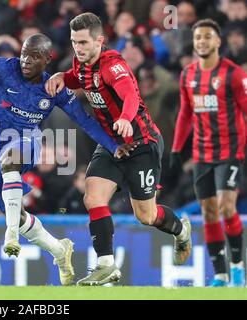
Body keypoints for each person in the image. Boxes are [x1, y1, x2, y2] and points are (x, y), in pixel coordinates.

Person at [0, 33, 136, 285]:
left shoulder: (53, 89)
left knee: (11, 163)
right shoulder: (5, 67)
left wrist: (113, 146)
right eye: (25, 53)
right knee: (13, 210)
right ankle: (59, 251)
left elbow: (84, 121)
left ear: (47, 60)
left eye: (34, 56)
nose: (26, 60)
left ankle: (11, 234)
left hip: (26, 141)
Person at [45, 12, 192, 286]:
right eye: (75, 41)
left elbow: (130, 95)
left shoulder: (113, 65)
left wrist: (125, 117)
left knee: (146, 215)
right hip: (113, 145)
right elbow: (77, 77)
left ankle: (181, 230)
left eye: (84, 42)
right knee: (92, 196)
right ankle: (106, 265)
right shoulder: (81, 63)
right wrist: (61, 76)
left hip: (141, 144)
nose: (78, 47)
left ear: (100, 41)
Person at [170, 19, 247, 287]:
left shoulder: (234, 74)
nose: (201, 41)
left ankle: (238, 267)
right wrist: (177, 149)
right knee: (210, 212)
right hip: (202, 154)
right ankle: (221, 275)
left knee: (227, 207)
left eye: (207, 37)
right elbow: (185, 114)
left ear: (218, 42)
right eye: (197, 37)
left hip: (230, 151)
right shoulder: (188, 75)